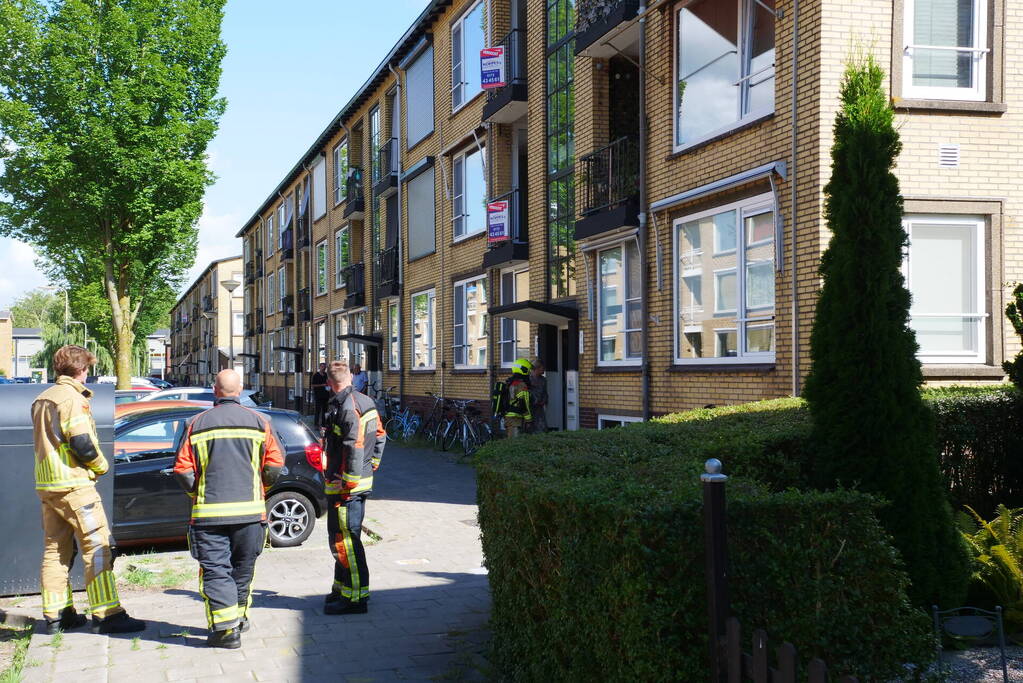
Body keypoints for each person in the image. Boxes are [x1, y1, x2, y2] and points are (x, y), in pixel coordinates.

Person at [32, 345, 145, 635]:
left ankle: (58, 614)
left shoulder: (42, 398)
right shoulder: (72, 399)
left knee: (55, 550)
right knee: (99, 548)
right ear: (83, 369)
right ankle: (107, 614)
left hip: (48, 487)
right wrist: (101, 465)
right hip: (75, 485)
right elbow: (82, 443)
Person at [172, 369, 284, 648]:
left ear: (214, 390)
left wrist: (196, 493)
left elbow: (182, 470)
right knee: (242, 569)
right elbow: (275, 465)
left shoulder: (195, 423)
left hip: (209, 514)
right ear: (241, 389)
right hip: (250, 513)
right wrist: (261, 489)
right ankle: (240, 618)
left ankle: (224, 630)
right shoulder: (261, 422)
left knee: (216, 571)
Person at [322, 361, 385, 615]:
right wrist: (373, 465)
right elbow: (380, 435)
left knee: (347, 542)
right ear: (349, 377)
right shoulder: (364, 401)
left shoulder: (347, 408)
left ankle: (356, 599)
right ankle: (341, 589)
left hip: (347, 488)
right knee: (340, 541)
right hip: (358, 482)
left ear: (329, 383)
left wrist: (347, 482)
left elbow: (354, 446)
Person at [503, 358, 533, 438]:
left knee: (511, 440)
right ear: (523, 370)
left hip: (508, 417)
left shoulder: (510, 382)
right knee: (514, 443)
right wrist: (529, 420)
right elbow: (524, 404)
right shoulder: (521, 385)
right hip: (516, 419)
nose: (529, 373)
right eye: (528, 371)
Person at [528, 359, 548, 434]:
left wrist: (544, 400)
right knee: (529, 428)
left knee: (542, 429)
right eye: (542, 368)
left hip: (539, 409)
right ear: (536, 368)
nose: (543, 370)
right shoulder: (528, 380)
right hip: (529, 409)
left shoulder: (543, 380)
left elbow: (545, 393)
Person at [311, 362, 330, 429]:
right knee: (318, 411)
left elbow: (328, 383)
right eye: (322, 367)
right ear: (320, 367)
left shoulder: (326, 375)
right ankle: (316, 425)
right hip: (318, 395)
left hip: (325, 395)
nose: (324, 368)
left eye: (325, 367)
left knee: (325, 411)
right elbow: (313, 385)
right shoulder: (316, 375)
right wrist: (322, 385)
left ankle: (323, 424)